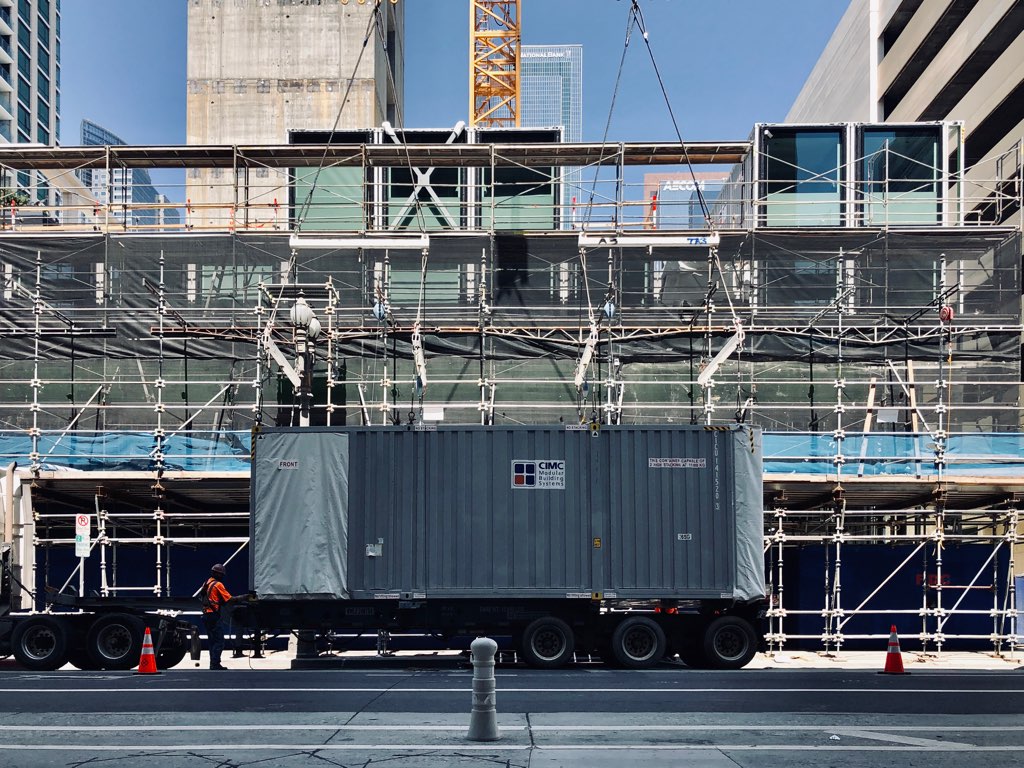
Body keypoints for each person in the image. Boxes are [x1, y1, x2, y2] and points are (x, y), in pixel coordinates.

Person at [201, 563, 234, 670]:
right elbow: (229, 599)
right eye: (221, 574)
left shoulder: (207, 582)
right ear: (218, 574)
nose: (222, 576)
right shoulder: (218, 585)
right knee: (219, 640)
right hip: (213, 615)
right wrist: (244, 597)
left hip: (206, 614)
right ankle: (215, 663)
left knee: (212, 641)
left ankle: (213, 663)